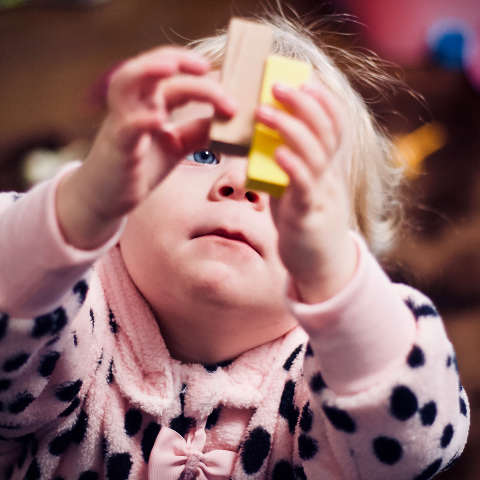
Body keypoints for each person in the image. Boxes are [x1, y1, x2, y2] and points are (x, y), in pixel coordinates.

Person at [0, 13, 469, 480]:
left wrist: (337, 281)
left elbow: (415, 450)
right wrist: (81, 205)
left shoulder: (325, 383)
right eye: (203, 153)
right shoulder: (74, 315)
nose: (240, 184)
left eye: (287, 180)